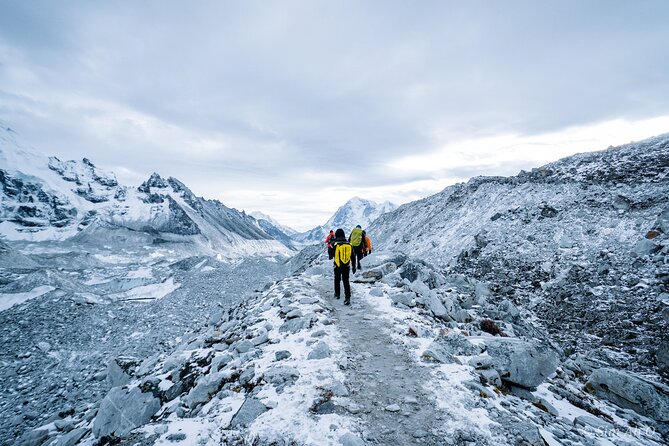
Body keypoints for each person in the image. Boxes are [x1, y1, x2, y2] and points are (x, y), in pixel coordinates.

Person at [332, 228, 352, 305]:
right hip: (347, 266)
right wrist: (354, 266)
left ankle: (337, 294)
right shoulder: (349, 244)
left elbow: (331, 254)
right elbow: (352, 256)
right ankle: (347, 297)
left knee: (337, 279)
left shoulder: (335, 244)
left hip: (337, 265)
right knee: (346, 281)